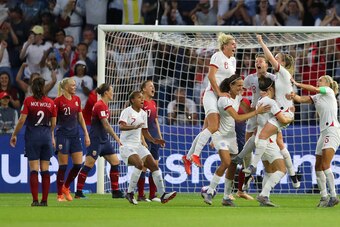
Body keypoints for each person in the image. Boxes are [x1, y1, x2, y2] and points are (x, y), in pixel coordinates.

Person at [201, 75, 269, 206]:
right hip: (219, 135)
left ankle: (226, 197)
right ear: (231, 86)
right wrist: (256, 112)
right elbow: (238, 117)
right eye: (238, 85)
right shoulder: (223, 100)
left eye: (242, 86)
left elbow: (250, 110)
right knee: (226, 162)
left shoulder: (238, 98)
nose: (241, 88)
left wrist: (264, 103)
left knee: (232, 165)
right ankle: (209, 192)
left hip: (231, 136)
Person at [242, 35, 300, 189]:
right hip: (270, 111)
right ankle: (290, 176)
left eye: (276, 58)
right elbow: (282, 92)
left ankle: (252, 169)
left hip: (276, 113)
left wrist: (261, 42)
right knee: (256, 140)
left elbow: (269, 58)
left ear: (282, 63)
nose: (274, 59)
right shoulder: (276, 78)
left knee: (264, 138)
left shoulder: (280, 74)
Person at [183, 33, 237, 171]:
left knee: (205, 130)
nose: (235, 46)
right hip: (211, 94)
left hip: (222, 98)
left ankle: (187, 158)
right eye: (232, 43)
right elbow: (211, 76)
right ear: (224, 46)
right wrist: (219, 92)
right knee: (213, 126)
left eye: (235, 44)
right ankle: (195, 155)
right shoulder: (217, 56)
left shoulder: (233, 61)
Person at [119, 91, 177, 205]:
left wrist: (155, 140)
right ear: (132, 100)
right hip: (126, 145)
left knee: (154, 166)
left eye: (142, 98)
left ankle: (163, 194)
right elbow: (121, 126)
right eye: (139, 98)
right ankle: (130, 193)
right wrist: (134, 126)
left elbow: (145, 132)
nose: (142, 100)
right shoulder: (127, 111)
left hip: (138, 145)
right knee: (139, 164)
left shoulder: (143, 114)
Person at [290, 75, 340, 207]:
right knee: (318, 166)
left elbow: (313, 89)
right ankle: (324, 196)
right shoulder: (317, 97)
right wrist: (291, 94)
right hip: (323, 133)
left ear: (328, 84)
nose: (318, 82)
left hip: (332, 130)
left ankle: (334, 196)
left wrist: (298, 84)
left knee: (325, 165)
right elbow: (300, 99)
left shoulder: (328, 92)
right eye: (318, 80)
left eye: (321, 80)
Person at [10, 77, 56, 206]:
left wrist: (14, 135)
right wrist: (50, 135)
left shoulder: (28, 101)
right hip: (46, 138)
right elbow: (54, 123)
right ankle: (45, 201)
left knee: (34, 169)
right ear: (44, 87)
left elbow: (21, 120)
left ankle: (35, 200)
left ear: (32, 87)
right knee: (45, 169)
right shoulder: (50, 103)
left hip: (32, 138)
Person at [75, 83, 124, 199]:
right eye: (111, 90)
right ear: (106, 92)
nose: (113, 93)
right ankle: (78, 192)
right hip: (96, 140)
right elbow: (106, 125)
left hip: (104, 140)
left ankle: (115, 191)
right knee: (88, 165)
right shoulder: (99, 105)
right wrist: (117, 138)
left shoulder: (105, 106)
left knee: (115, 162)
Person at [254, 77, 293, 207]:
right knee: (281, 170)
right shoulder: (270, 101)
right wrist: (290, 117)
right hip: (268, 139)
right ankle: (264, 195)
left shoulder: (260, 100)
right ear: (271, 89)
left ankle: (264, 198)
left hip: (259, 138)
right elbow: (282, 119)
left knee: (269, 171)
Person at [54, 78, 90, 202]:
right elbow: (53, 120)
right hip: (63, 136)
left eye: (75, 85)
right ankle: (59, 194)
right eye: (72, 85)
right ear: (65, 87)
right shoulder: (58, 101)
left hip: (75, 135)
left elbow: (80, 117)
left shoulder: (77, 100)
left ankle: (66, 187)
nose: (75, 87)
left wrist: (86, 133)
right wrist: (52, 136)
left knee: (78, 165)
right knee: (63, 166)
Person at [137, 80, 164, 202]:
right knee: (143, 166)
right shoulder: (140, 104)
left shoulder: (153, 103)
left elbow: (156, 121)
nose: (153, 88)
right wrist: (143, 140)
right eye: (150, 86)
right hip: (144, 139)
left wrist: (160, 137)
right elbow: (138, 124)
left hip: (154, 138)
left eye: (154, 86)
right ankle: (141, 195)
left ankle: (152, 195)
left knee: (155, 166)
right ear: (143, 89)